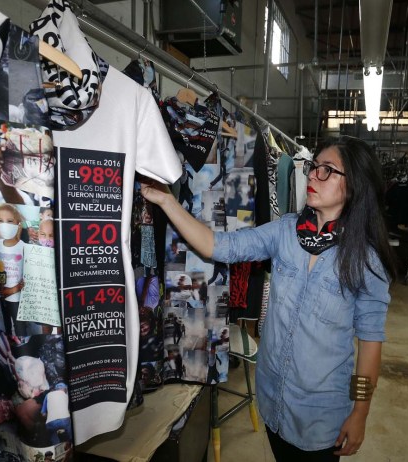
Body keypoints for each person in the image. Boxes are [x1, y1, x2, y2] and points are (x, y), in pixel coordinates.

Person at [141, 136, 395, 460]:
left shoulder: (365, 260)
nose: (313, 176)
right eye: (314, 167)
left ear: (355, 184)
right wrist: (166, 202)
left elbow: (371, 344)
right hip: (272, 397)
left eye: (326, 171)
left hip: (321, 413)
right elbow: (217, 246)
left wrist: (360, 412)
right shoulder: (285, 231)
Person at [0, 204, 26, 343]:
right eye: (0, 220)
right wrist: (1, 291)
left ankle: (22, 346)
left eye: (9, 221)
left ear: (18, 224)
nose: (4, 224)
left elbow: (27, 276)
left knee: (20, 327)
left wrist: (13, 289)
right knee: (6, 326)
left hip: (17, 297)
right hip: (2, 296)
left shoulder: (23, 246)